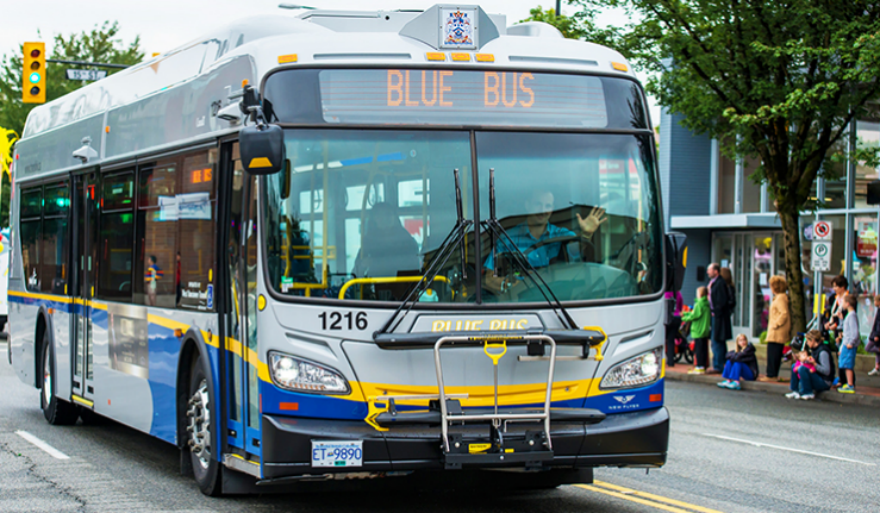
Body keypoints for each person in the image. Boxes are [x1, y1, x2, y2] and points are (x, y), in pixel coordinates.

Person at [483, 190, 606, 297]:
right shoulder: (507, 239)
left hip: (557, 302)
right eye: (538, 204)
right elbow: (488, 279)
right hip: (519, 303)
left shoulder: (560, 235)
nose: (543, 210)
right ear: (527, 205)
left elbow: (577, 248)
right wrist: (510, 284)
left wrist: (586, 234)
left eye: (547, 206)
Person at [353, 202, 420, 279]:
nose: (384, 218)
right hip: (374, 285)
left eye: (388, 214)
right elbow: (356, 272)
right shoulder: (368, 242)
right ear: (374, 219)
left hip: (403, 286)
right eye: (379, 215)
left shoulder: (407, 240)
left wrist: (375, 263)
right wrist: (363, 265)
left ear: (394, 217)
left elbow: (414, 267)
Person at [786, 330, 835, 400]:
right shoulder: (814, 350)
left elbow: (827, 371)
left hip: (824, 381)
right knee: (795, 366)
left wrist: (814, 364)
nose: (807, 343)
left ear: (813, 341)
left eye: (808, 341)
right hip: (816, 375)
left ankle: (808, 392)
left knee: (802, 369)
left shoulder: (823, 352)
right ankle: (795, 390)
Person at [760, 275, 791, 382]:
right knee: (773, 352)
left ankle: (771, 375)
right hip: (775, 330)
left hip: (777, 331)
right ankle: (771, 374)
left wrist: (776, 324)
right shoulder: (779, 297)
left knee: (773, 353)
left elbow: (784, 313)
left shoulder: (781, 298)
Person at [707, 263, 732, 374]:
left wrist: (715, 312)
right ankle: (722, 363)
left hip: (718, 317)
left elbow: (721, 301)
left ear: (716, 271)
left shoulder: (720, 283)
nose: (708, 272)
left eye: (710, 270)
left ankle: (718, 365)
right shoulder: (715, 283)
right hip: (716, 316)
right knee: (717, 341)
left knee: (716, 341)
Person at [682, 286, 711, 374]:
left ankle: (699, 366)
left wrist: (684, 316)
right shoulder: (707, 303)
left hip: (698, 330)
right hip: (705, 329)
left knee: (698, 350)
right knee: (703, 349)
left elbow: (694, 315)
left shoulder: (699, 304)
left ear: (700, 294)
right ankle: (703, 366)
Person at [837, 294, 860, 394]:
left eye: (843, 302)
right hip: (846, 344)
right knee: (845, 364)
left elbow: (854, 332)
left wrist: (851, 342)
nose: (841, 304)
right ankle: (848, 383)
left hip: (848, 345)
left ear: (848, 303)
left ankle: (850, 384)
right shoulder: (849, 315)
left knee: (847, 365)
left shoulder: (852, 316)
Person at [665, 290, 684, 367]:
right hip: (677, 318)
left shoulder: (665, 293)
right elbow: (680, 307)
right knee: (671, 340)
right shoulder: (678, 293)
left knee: (663, 340)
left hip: (668, 318)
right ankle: (670, 361)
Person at [868, 295, 880, 376]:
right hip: (876, 333)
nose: (874, 302)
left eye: (875, 301)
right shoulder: (878, 310)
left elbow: (879, 324)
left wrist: (876, 334)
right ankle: (877, 367)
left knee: (868, 347)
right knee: (878, 354)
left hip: (877, 335)